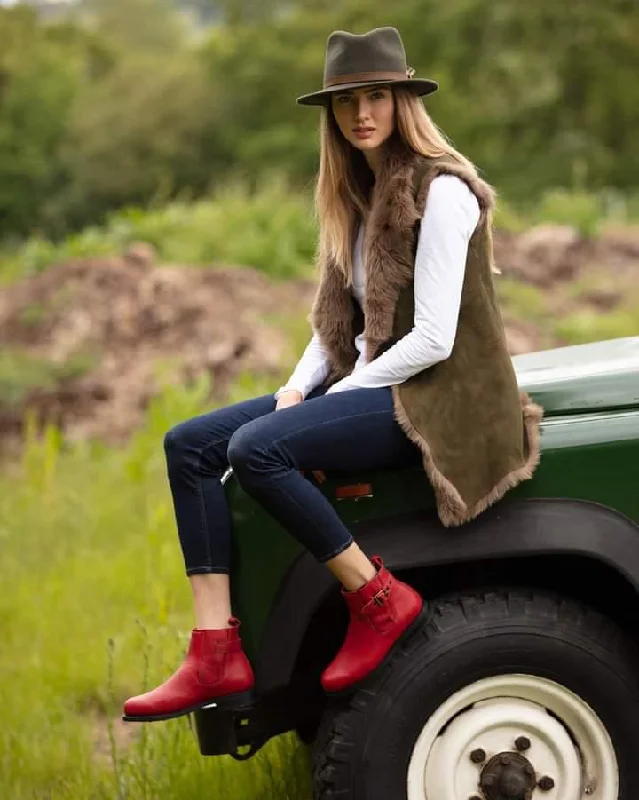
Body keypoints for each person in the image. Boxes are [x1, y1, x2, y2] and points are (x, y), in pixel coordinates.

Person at [122, 26, 542, 723]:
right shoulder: (356, 196)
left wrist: (337, 394)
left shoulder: (444, 193)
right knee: (189, 444)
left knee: (257, 448)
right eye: (346, 101)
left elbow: (434, 339)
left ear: (402, 101)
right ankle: (214, 649)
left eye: (375, 95)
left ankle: (377, 600)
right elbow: (335, 323)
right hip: (379, 381)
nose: (361, 113)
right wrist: (294, 389)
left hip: (436, 398)